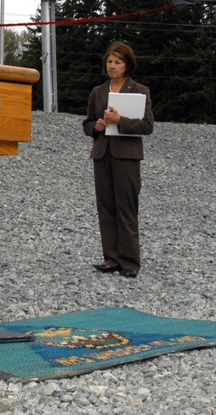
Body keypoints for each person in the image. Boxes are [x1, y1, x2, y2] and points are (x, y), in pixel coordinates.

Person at [82, 41, 154, 279]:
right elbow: (87, 124)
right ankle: (111, 258)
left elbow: (147, 126)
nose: (112, 66)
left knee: (126, 208)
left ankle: (130, 262)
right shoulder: (97, 92)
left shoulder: (140, 91)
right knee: (106, 207)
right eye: (110, 62)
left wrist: (119, 120)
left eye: (118, 62)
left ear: (127, 65)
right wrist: (98, 126)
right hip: (102, 155)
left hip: (127, 157)